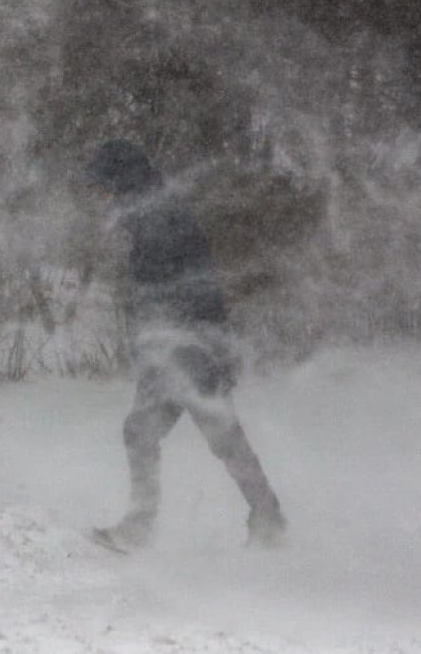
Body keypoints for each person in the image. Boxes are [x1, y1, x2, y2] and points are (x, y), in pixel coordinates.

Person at [86, 139, 286, 550]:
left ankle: (145, 527)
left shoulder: (157, 219)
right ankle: (266, 516)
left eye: (103, 186)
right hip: (184, 345)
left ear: (119, 180)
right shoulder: (151, 214)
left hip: (185, 348)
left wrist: (171, 344)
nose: (101, 196)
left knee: (184, 433)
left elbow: (178, 290)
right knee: (188, 433)